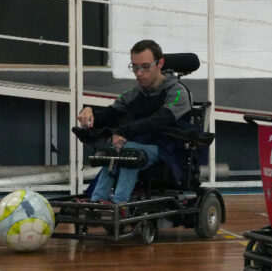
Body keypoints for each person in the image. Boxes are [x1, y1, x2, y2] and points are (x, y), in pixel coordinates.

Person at [76, 39, 191, 204]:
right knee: (114, 151)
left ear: (160, 64)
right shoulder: (134, 93)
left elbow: (158, 120)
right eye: (135, 67)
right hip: (138, 144)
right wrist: (89, 112)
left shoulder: (178, 92)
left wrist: (123, 131)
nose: (138, 73)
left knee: (129, 151)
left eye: (145, 67)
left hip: (168, 149)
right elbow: (109, 114)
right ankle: (96, 201)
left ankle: (119, 203)